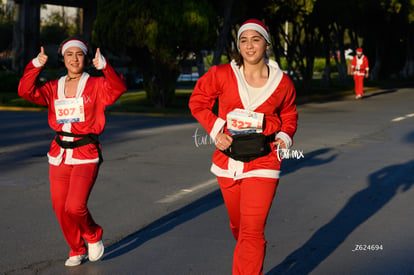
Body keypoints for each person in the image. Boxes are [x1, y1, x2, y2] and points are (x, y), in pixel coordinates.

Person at [189, 19, 298, 275]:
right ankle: (250, 254)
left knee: (252, 231)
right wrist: (217, 130)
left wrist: (284, 136)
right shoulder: (221, 74)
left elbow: (289, 114)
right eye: (243, 40)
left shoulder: (282, 83)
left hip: (264, 160)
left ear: (267, 44)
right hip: (228, 161)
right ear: (238, 45)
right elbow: (197, 101)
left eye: (256, 39)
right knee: (240, 227)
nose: (249, 46)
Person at [18, 38, 127, 266]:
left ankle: (93, 235)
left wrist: (105, 67)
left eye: (79, 54)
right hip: (59, 153)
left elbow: (118, 88)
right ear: (64, 58)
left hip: (86, 152)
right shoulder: (52, 87)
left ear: (85, 59)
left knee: (74, 206)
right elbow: (25, 90)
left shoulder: (96, 85)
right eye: (69, 55)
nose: (74, 59)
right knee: (60, 208)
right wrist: (35, 65)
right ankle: (77, 248)